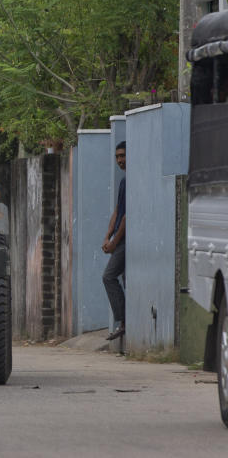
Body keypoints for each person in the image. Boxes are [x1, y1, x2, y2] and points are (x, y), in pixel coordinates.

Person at [103, 141, 127, 341]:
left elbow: (128, 216)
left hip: (126, 240)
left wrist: (115, 240)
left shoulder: (133, 180)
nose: (120, 160)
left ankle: (123, 322)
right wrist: (107, 236)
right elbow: (117, 211)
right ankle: (123, 322)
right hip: (119, 239)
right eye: (117, 156)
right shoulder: (123, 181)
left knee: (109, 276)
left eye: (123, 156)